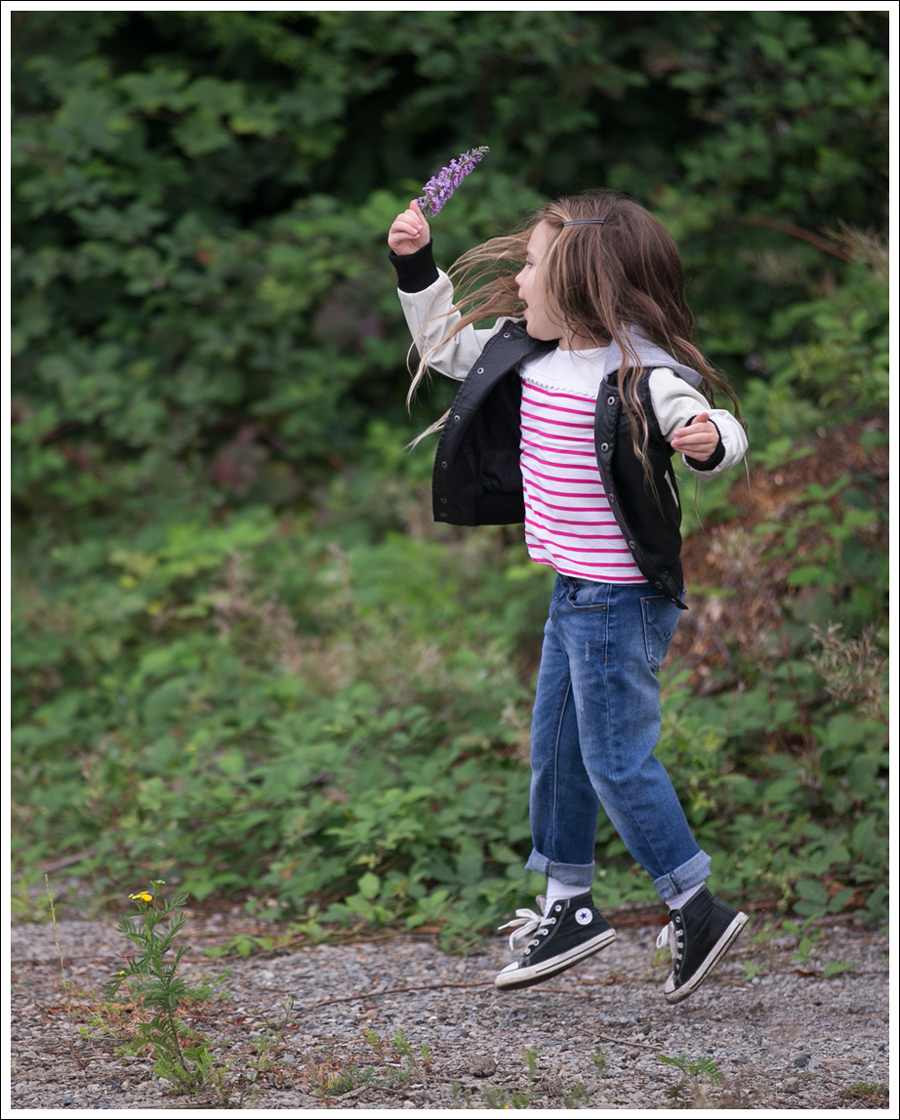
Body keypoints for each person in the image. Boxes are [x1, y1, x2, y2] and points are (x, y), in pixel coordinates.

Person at [386, 190, 749, 1004]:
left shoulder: (641, 375)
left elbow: (711, 423)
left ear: (583, 285)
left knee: (616, 759)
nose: (517, 282)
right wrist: (415, 264)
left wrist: (709, 441)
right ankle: (568, 904)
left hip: (619, 601)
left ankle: (696, 904)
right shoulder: (535, 356)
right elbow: (447, 349)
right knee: (556, 751)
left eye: (532, 267)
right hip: (573, 590)